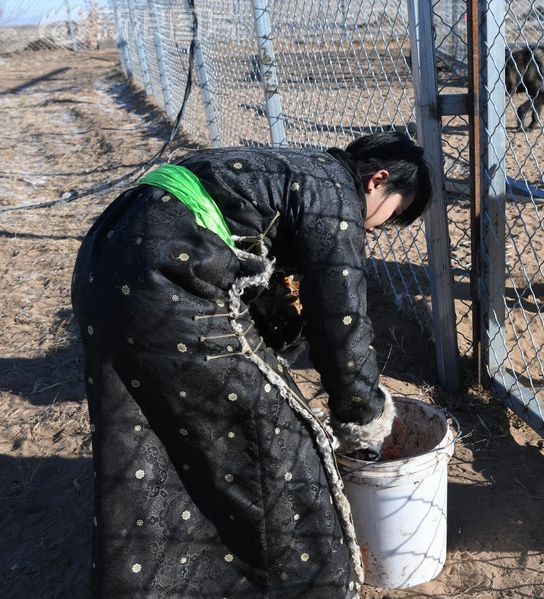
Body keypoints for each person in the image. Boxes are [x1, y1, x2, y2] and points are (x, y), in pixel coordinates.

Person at [71, 131, 433, 598]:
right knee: (282, 434)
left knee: (160, 420)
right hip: (162, 270)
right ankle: (300, 586)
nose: (383, 226)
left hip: (109, 254)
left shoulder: (302, 167)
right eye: (396, 212)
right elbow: (341, 321)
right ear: (377, 181)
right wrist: (364, 416)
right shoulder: (336, 196)